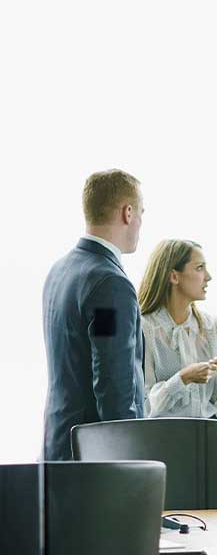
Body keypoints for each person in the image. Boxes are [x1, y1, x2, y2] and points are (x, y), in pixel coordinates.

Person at [42, 169, 146, 461]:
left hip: (58, 447)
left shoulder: (60, 271)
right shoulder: (108, 284)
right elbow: (113, 380)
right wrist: (131, 461)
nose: (140, 222)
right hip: (95, 462)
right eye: (141, 212)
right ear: (127, 213)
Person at [137, 239, 217, 465]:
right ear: (174, 276)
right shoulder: (144, 329)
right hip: (165, 441)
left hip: (210, 436)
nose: (208, 276)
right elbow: (146, 405)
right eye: (199, 268)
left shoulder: (214, 328)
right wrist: (182, 378)